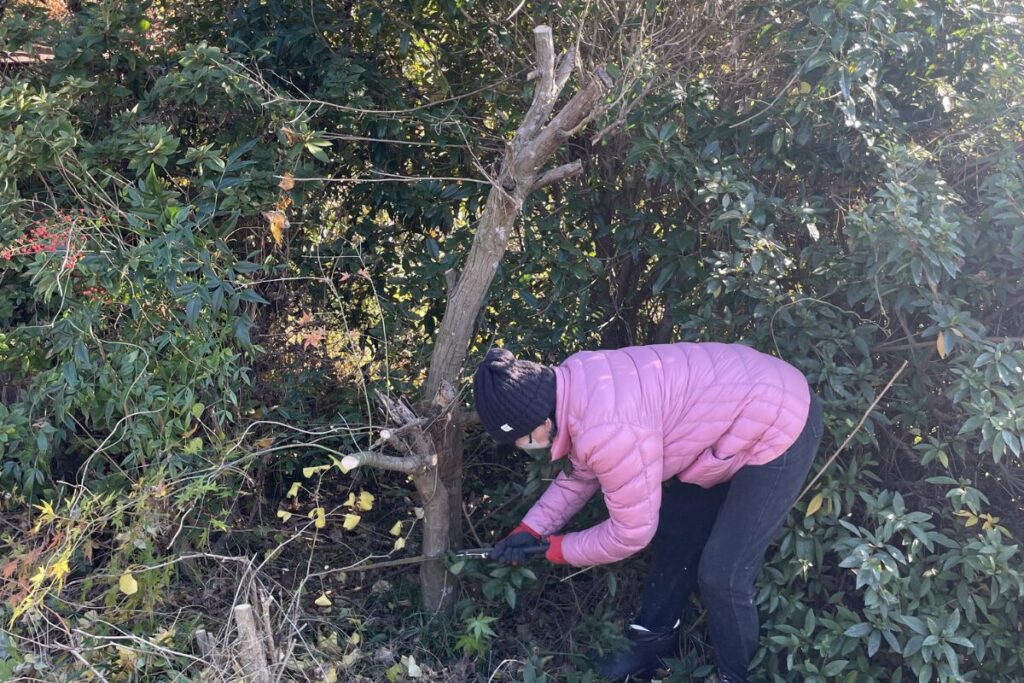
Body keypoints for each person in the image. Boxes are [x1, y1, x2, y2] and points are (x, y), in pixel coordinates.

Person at [472, 343, 824, 682]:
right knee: (677, 531)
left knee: (723, 574)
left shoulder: (609, 427)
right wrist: (530, 530)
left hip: (779, 421)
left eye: (518, 438)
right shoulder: (573, 386)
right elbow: (581, 474)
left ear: (538, 420)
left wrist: (554, 549)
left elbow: (631, 533)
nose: (521, 447)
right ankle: (652, 647)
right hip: (729, 420)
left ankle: (735, 675)